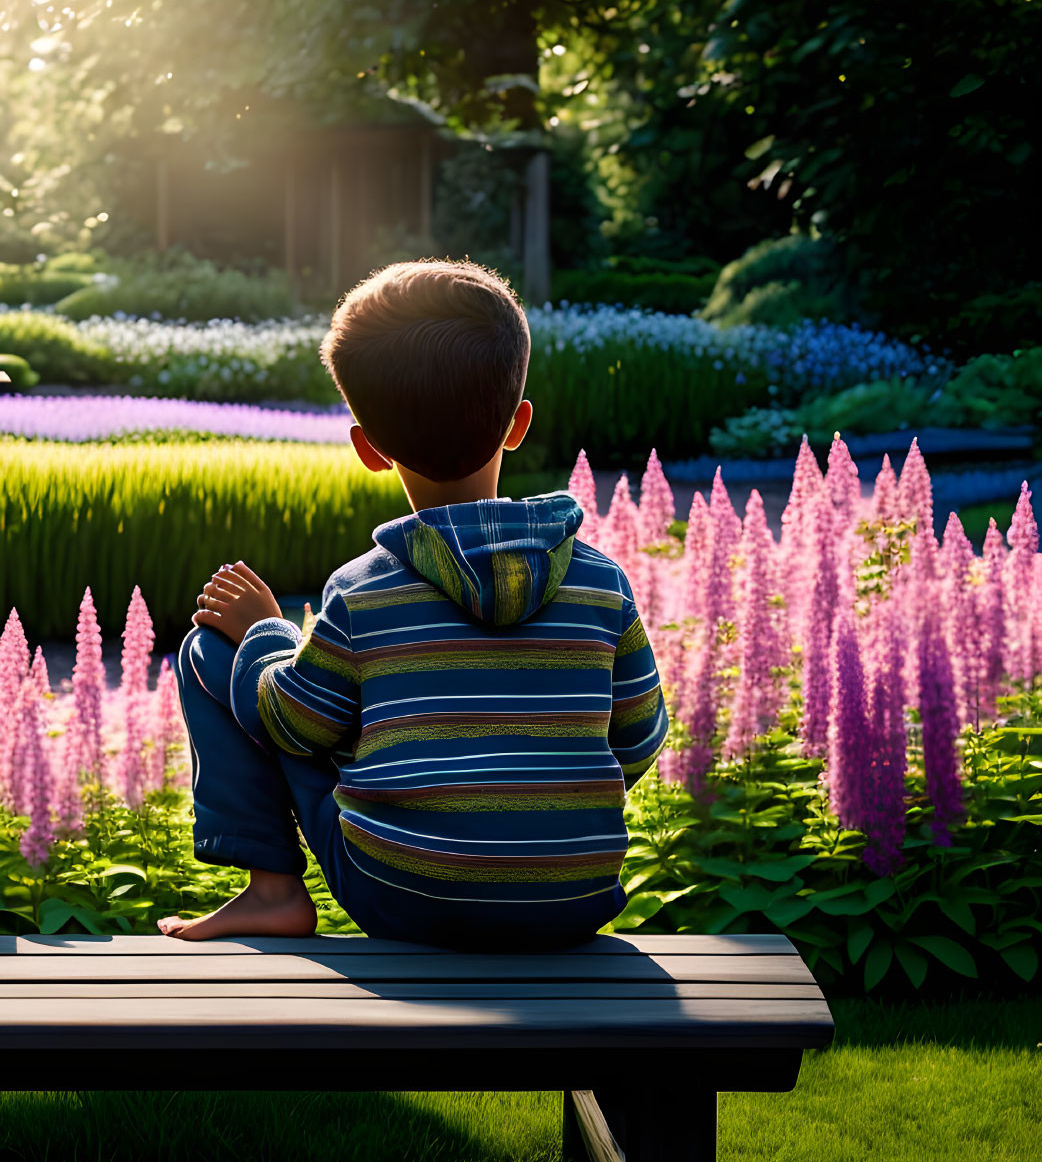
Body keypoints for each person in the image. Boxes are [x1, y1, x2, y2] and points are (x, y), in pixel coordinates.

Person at [160, 259, 668, 949]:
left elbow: (291, 726)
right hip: (575, 900)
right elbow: (637, 737)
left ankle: (271, 893)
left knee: (209, 651)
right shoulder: (597, 581)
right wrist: (535, 814)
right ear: (517, 424)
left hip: (404, 897)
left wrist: (264, 631)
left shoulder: (364, 589)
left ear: (367, 449)